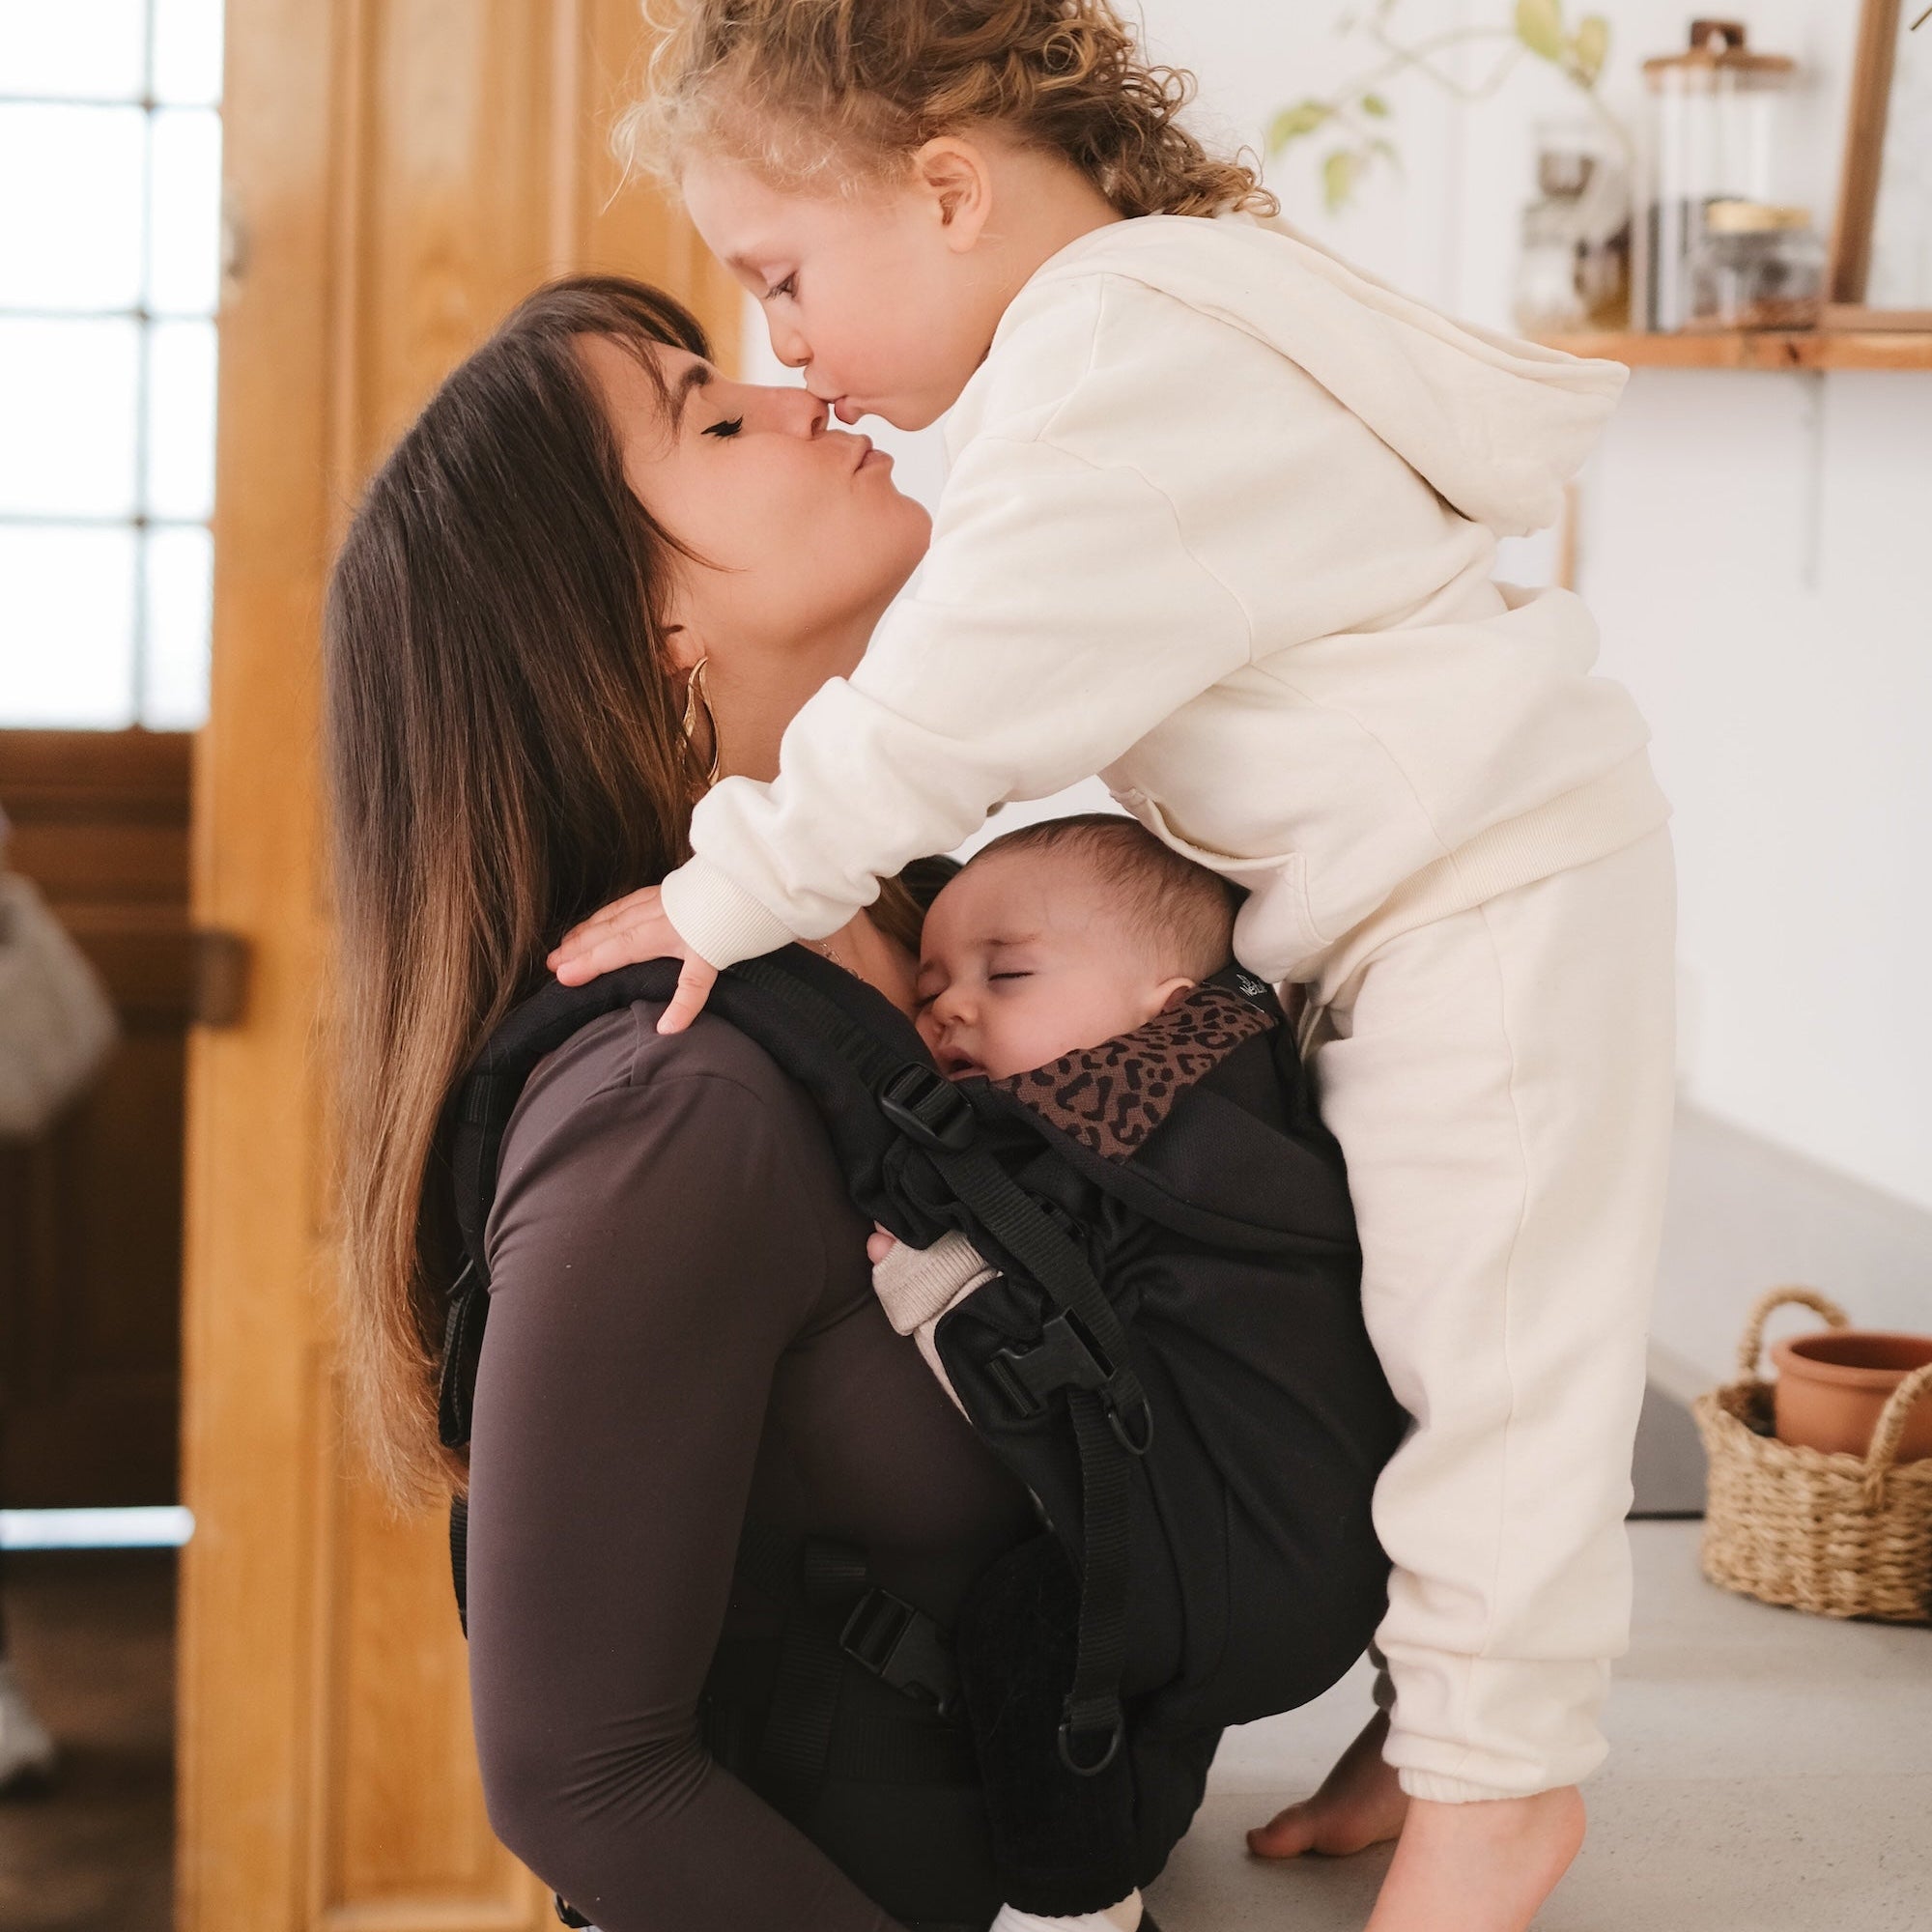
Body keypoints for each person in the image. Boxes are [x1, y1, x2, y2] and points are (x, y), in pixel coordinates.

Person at [546, 7, 1679, 1930]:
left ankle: (1506, 1788)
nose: (789, 345)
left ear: (950, 191)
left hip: (1484, 901)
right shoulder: (1129, 347)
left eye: (784, 279)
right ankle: (1435, 1727)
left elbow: (956, 694)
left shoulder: (1115, 364)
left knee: (1501, 1371)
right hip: (1412, 902)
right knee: (1424, 1345)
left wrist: (729, 879)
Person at [324, 275, 1198, 1932]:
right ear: (653, 634)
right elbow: (584, 1782)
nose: (809, 391)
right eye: (716, 420)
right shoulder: (673, 1106)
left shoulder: (930, 944)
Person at [867, 812, 1246, 1393]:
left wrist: (945, 1289)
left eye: (1009, 975)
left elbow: (1092, 1408)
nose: (949, 1008)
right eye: (931, 991)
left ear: (1170, 1018)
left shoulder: (1185, 1150)